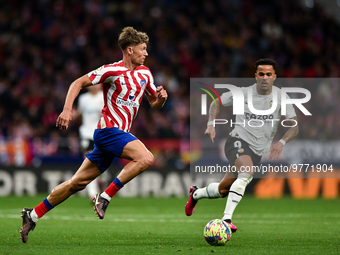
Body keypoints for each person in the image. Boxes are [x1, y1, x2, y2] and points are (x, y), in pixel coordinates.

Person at [20, 27, 168, 243]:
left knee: (76, 184)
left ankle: (32, 215)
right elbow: (77, 83)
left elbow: (154, 103)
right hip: (107, 131)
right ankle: (105, 197)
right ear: (129, 50)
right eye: (142, 49)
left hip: (118, 135)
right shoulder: (111, 71)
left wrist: (161, 99)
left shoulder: (145, 74)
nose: (146, 53)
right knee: (146, 158)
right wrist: (67, 110)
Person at [185, 58, 298, 232]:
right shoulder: (242, 93)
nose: (265, 78)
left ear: (275, 77)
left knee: (223, 190)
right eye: (261, 74)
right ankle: (226, 220)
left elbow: (294, 126)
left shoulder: (282, 97)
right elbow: (216, 102)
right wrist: (211, 123)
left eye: (269, 74)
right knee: (247, 172)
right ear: (255, 76)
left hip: (257, 151)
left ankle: (196, 194)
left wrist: (282, 142)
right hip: (237, 141)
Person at [76, 84, 104, 200]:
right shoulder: (83, 99)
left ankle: (100, 179)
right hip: (87, 133)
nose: (94, 86)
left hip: (101, 133)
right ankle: (93, 194)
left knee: (101, 163)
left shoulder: (104, 96)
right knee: (88, 162)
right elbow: (79, 114)